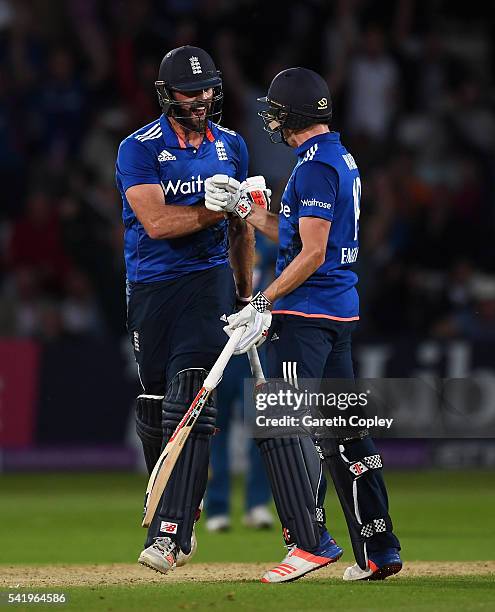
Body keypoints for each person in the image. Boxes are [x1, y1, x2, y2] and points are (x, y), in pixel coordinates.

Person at [205, 67, 402, 583]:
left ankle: (309, 543)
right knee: (346, 436)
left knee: (286, 431)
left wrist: (263, 300)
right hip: (336, 311)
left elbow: (311, 254)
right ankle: (379, 550)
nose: (270, 118)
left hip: (306, 316)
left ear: (288, 115)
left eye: (274, 110)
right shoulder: (338, 158)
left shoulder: (314, 168)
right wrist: (248, 210)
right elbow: (294, 236)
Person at [115, 45, 255, 574]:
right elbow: (156, 223)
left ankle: (170, 534)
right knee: (154, 407)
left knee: (191, 393)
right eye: (189, 92)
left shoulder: (233, 147)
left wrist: (247, 295)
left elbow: (242, 227)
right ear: (166, 95)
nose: (200, 100)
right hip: (151, 287)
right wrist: (211, 208)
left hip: (207, 283)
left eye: (207, 90)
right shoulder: (139, 149)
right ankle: (180, 501)